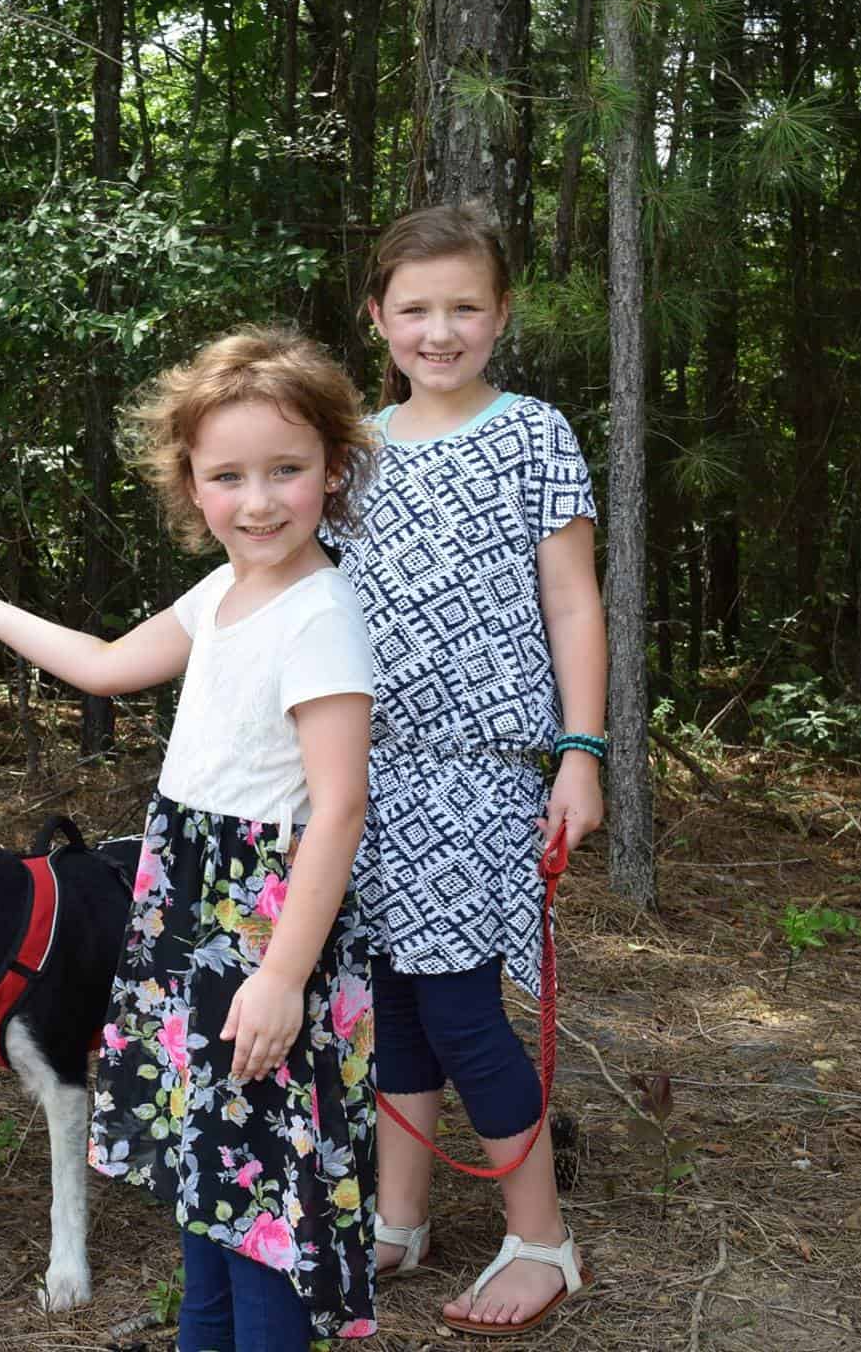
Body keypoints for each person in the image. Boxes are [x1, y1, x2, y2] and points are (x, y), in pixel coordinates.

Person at [0, 326, 382, 1347]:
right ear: (190, 485)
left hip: (261, 928)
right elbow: (109, 664)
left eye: (285, 472)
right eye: (228, 476)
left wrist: (281, 978)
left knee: (258, 1195)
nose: (257, 501)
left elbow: (337, 808)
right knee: (205, 1179)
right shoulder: (222, 591)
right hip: (185, 911)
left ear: (331, 473)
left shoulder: (319, 616)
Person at [323, 201, 605, 1337]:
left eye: (464, 308)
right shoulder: (349, 453)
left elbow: (571, 599)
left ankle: (541, 1241)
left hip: (481, 769)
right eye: (415, 309)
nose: (439, 331)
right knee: (389, 999)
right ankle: (399, 1219)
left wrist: (577, 751)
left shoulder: (533, 434)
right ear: (376, 316)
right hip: (367, 772)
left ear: (499, 315)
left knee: (458, 1004)